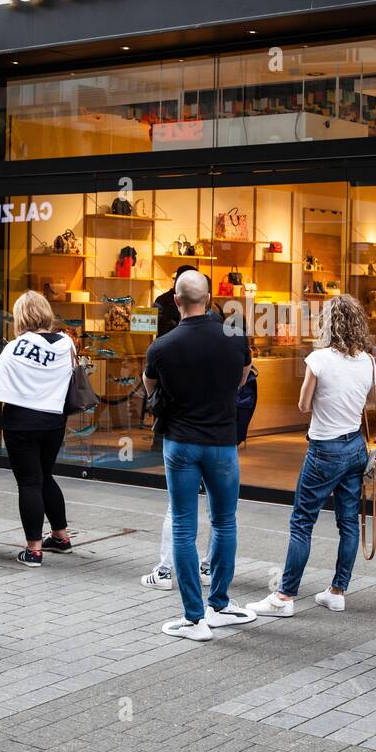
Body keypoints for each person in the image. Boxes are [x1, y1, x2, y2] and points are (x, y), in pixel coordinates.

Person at [248, 294, 376, 617]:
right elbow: (374, 402)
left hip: (324, 448)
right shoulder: (368, 361)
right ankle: (337, 590)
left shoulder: (318, 360)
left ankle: (284, 596)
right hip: (355, 447)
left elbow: (304, 405)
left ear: (328, 323)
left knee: (302, 522)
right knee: (348, 523)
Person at [143, 269, 257, 640]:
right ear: (209, 298)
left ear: (176, 301)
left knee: (183, 525)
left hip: (181, 442)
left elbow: (150, 388)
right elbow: (242, 379)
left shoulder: (162, 346)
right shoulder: (234, 337)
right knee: (225, 521)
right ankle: (220, 604)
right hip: (222, 443)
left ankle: (194, 618)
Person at [0, 291, 75, 566]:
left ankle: (33, 550)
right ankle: (60, 537)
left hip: (21, 423)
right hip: (53, 421)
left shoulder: (14, 348)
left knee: (28, 482)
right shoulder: (66, 344)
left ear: (20, 317)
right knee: (45, 475)